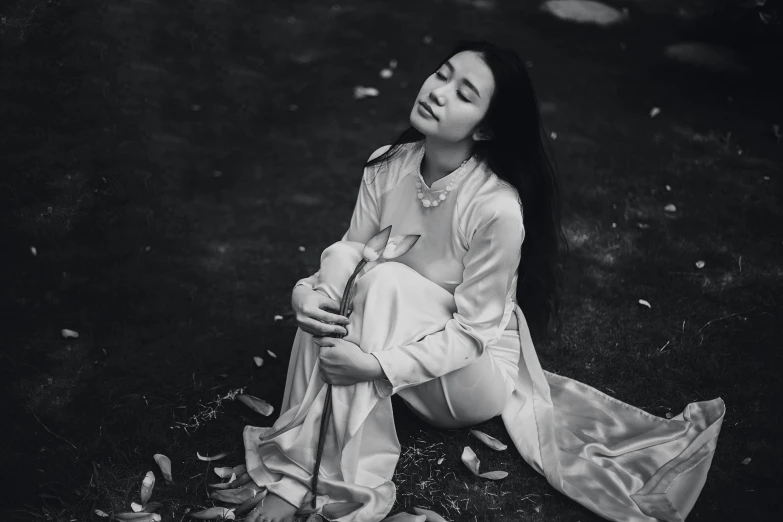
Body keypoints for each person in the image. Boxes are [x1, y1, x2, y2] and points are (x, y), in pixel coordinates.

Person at [242, 40, 726, 522]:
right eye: (442, 74)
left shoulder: (495, 208)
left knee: (384, 280)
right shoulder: (388, 163)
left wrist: (375, 367)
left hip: (468, 381)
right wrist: (304, 295)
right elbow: (346, 261)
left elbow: (473, 335)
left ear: (488, 127)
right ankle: (301, 464)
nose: (438, 91)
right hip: (392, 333)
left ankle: (314, 479)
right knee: (350, 262)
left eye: (464, 93)